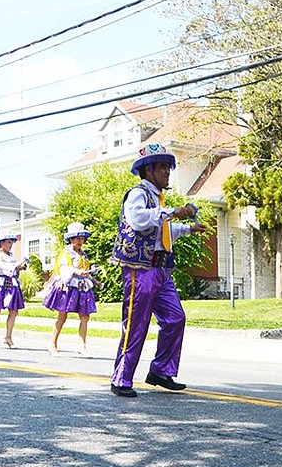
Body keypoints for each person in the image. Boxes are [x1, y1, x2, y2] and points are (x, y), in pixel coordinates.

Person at [110, 143, 208, 397]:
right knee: (136, 324)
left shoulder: (158, 199)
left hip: (161, 269)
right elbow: (138, 221)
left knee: (176, 318)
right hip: (140, 270)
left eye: (168, 167)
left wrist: (187, 228)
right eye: (162, 167)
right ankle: (121, 378)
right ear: (148, 170)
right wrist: (173, 212)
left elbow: (160, 232)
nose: (167, 171)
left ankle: (161, 371)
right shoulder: (138, 194)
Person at [44, 222, 97, 356]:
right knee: (62, 316)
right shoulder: (66, 253)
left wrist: (94, 280)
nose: (81, 241)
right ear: (71, 239)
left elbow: (85, 271)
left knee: (85, 316)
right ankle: (52, 344)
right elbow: (63, 268)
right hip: (68, 287)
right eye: (78, 238)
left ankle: (82, 346)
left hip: (82, 287)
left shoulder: (83, 254)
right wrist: (76, 271)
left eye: (82, 238)